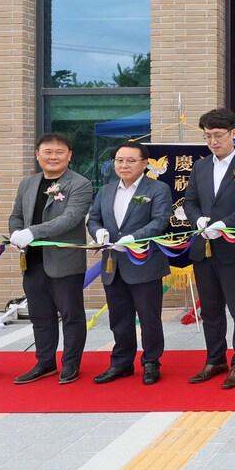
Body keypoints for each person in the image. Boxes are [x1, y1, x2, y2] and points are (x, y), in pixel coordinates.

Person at [183, 108, 235, 389]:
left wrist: (224, 224)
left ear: (233, 133)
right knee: (210, 308)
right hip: (203, 247)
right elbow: (190, 201)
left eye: (218, 135)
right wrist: (198, 220)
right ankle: (215, 358)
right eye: (207, 136)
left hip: (234, 248)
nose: (213, 142)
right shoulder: (200, 166)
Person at [7, 133, 94, 385]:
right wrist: (15, 234)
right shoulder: (28, 183)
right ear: (37, 155)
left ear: (70, 156)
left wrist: (31, 232)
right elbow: (16, 215)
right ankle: (44, 362)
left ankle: (70, 364)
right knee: (40, 315)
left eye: (59, 152)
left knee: (71, 315)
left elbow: (70, 218)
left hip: (64, 261)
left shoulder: (79, 184)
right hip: (32, 260)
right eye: (47, 152)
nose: (53, 157)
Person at [86, 142, 172, 385]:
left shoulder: (157, 189)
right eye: (119, 160)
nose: (124, 165)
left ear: (145, 164)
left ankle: (152, 362)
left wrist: (134, 238)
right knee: (119, 317)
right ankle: (121, 362)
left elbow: (160, 221)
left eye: (130, 160)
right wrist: (98, 232)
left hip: (144, 262)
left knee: (149, 318)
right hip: (113, 264)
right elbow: (93, 218)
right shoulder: (106, 190)